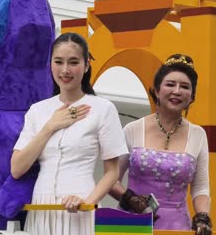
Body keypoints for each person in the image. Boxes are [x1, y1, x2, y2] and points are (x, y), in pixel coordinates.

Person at [10, 32, 128, 235]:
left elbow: (112, 172)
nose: (65, 70)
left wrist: (87, 202)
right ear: (50, 64)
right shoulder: (38, 110)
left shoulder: (103, 108)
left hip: (79, 203)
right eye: (59, 62)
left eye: (73, 62)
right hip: (41, 207)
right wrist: (50, 126)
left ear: (86, 65)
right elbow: (17, 168)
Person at [109, 54, 212, 234]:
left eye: (185, 87)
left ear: (192, 97)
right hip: (132, 223)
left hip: (176, 227)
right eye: (170, 84)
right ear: (156, 90)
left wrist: (203, 217)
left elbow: (201, 188)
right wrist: (130, 199)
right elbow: (110, 179)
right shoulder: (132, 129)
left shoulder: (198, 135)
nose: (177, 91)